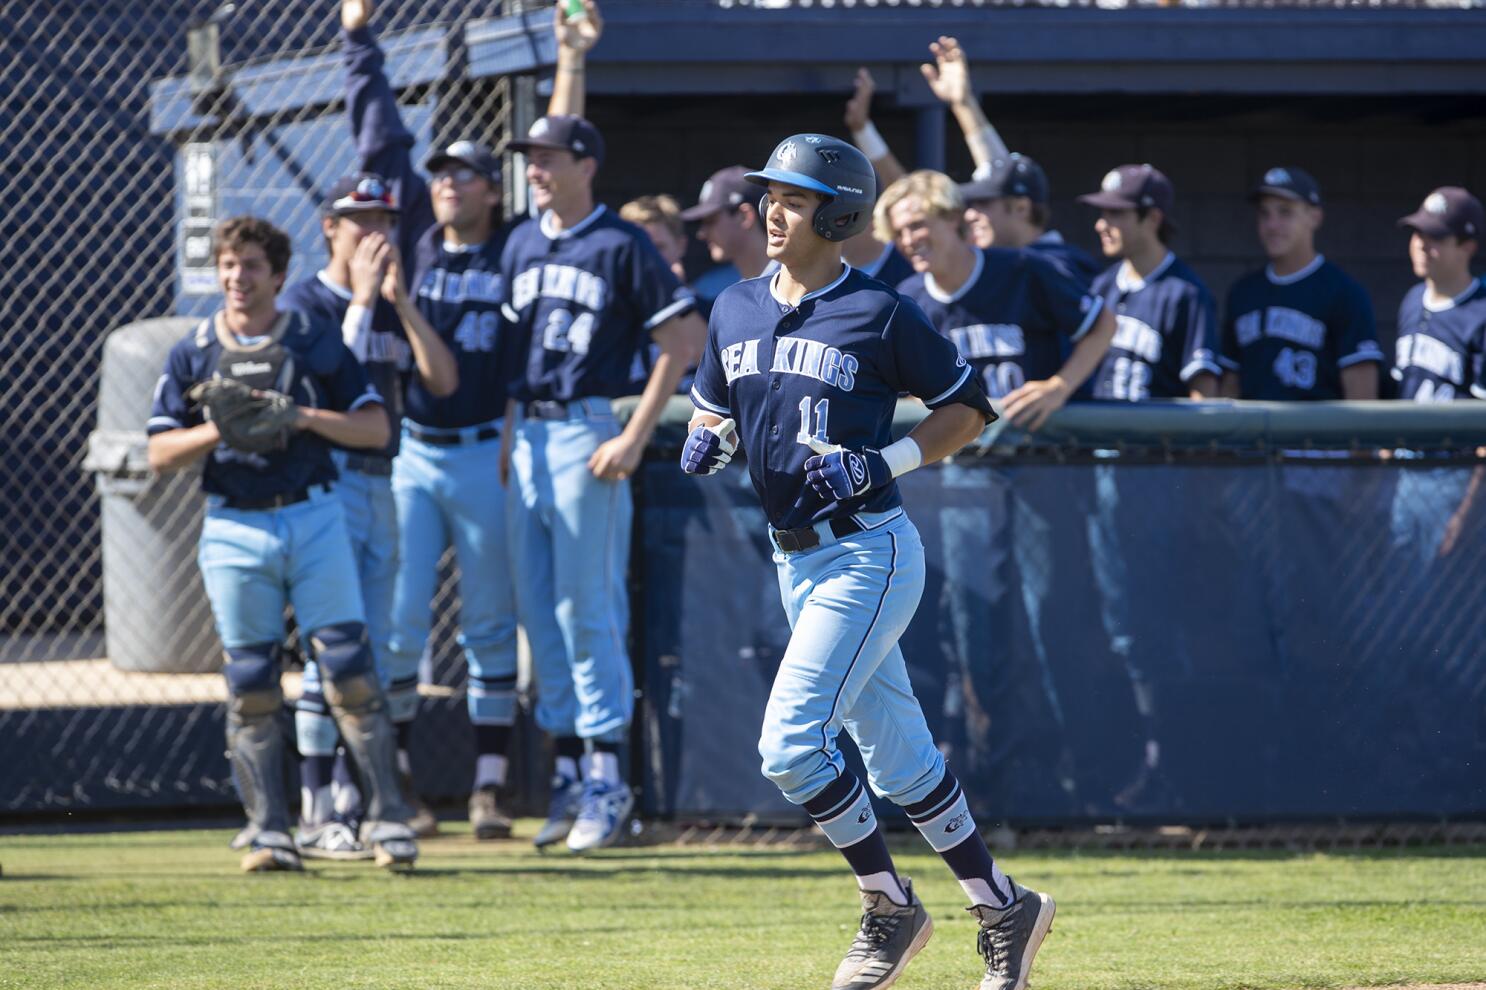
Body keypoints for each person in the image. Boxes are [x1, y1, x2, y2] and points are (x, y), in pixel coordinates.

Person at [684, 134, 1054, 990]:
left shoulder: (881, 311)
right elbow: (719, 413)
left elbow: (970, 408)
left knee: (789, 745)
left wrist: (882, 461)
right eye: (771, 193)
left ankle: (889, 905)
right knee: (900, 762)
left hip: (868, 554)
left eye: (796, 197)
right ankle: (1004, 904)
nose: (773, 209)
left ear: (842, 212)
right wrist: (707, 439)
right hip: (794, 562)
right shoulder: (735, 305)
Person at [147, 216, 417, 872]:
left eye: (252, 267)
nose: (239, 278)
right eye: (229, 266)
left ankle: (387, 823)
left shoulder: (311, 339)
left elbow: (375, 426)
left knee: (350, 669)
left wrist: (298, 415)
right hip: (235, 524)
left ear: (278, 275)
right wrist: (222, 427)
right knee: (251, 681)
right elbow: (159, 451)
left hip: (313, 515)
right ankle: (270, 831)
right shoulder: (194, 349)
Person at [502, 112, 705, 852]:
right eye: (530, 156)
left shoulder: (620, 242)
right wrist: (506, 441)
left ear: (587, 164)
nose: (535, 168)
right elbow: (510, 359)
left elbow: (685, 343)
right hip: (526, 431)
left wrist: (633, 433)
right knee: (539, 613)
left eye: (548, 156)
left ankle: (607, 782)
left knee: (588, 609)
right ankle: (566, 777)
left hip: (589, 429)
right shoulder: (521, 241)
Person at [278, 172, 457, 858]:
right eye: (360, 222)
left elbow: (442, 381)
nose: (375, 235)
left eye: (384, 221)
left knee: (376, 653)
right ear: (330, 228)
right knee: (333, 650)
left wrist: (402, 305)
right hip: (329, 484)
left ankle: (354, 800)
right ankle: (317, 805)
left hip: (389, 480)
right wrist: (360, 300)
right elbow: (338, 386)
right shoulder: (306, 302)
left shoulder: (391, 302)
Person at [882, 170, 1115, 424]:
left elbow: (1102, 324)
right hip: (959, 453)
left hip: (1038, 446)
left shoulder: (1023, 268)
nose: (907, 240)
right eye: (898, 233)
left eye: (916, 225)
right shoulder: (907, 297)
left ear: (951, 217)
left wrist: (1059, 386)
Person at [1218, 167, 1382, 400]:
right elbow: (1230, 386)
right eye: (1264, 214)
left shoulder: (1344, 293)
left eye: (1285, 212)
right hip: (1255, 435)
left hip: (1316, 434)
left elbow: (1362, 397)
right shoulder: (1243, 292)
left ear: (1314, 217)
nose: (1272, 225)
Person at [1390, 187, 1486, 566]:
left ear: (1467, 246)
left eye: (1436, 237)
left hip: (1454, 477)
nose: (1421, 245)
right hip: (1404, 472)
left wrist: (1467, 510)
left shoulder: (1481, 314)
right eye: (1418, 234)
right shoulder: (1412, 301)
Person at [1077, 164, 1221, 401]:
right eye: (1103, 214)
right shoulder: (1101, 286)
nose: (1101, 225)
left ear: (1153, 218)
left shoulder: (1186, 294)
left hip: (1159, 436)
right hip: (1098, 436)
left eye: (1116, 213)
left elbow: (1203, 390)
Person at [839, 69, 915, 286]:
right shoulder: (822, 275)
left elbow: (907, 192)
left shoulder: (911, 261)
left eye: (843, 214)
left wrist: (862, 130)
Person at [682, 165, 775, 297]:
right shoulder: (729, 293)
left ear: (744, 216)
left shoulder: (797, 282)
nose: (701, 234)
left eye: (710, 221)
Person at [619, 194, 688, 284]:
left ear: (680, 246)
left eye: (658, 248)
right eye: (638, 249)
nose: (649, 257)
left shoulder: (707, 294)